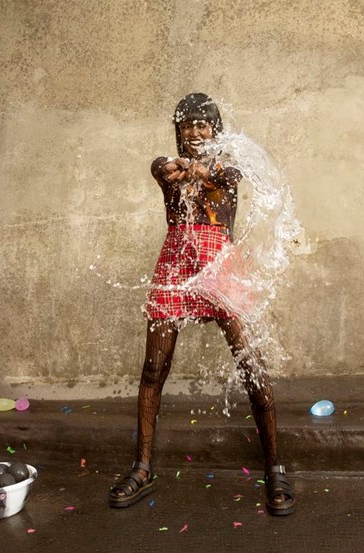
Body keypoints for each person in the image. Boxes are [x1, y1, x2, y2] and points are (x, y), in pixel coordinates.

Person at [108, 93, 295, 516]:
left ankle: (276, 467)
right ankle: (142, 468)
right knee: (153, 369)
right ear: (178, 131)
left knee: (251, 365)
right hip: (175, 263)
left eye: (202, 125)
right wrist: (175, 168)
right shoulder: (167, 168)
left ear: (215, 130)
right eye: (186, 125)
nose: (194, 132)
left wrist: (203, 169)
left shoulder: (228, 168)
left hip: (219, 265)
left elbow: (228, 174)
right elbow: (161, 167)